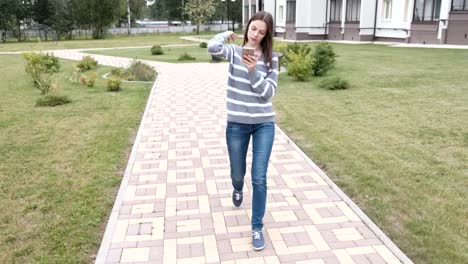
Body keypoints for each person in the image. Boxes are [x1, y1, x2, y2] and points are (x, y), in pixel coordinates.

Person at [207, 11, 279, 251]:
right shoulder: (235, 53)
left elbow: (268, 93)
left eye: (261, 32)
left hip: (263, 124)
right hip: (237, 123)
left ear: (267, 34)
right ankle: (237, 187)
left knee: (259, 177)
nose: (256, 35)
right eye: (253, 29)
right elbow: (212, 48)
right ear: (247, 27)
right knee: (238, 173)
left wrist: (252, 71)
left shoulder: (271, 58)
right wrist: (224, 34)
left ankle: (257, 227)